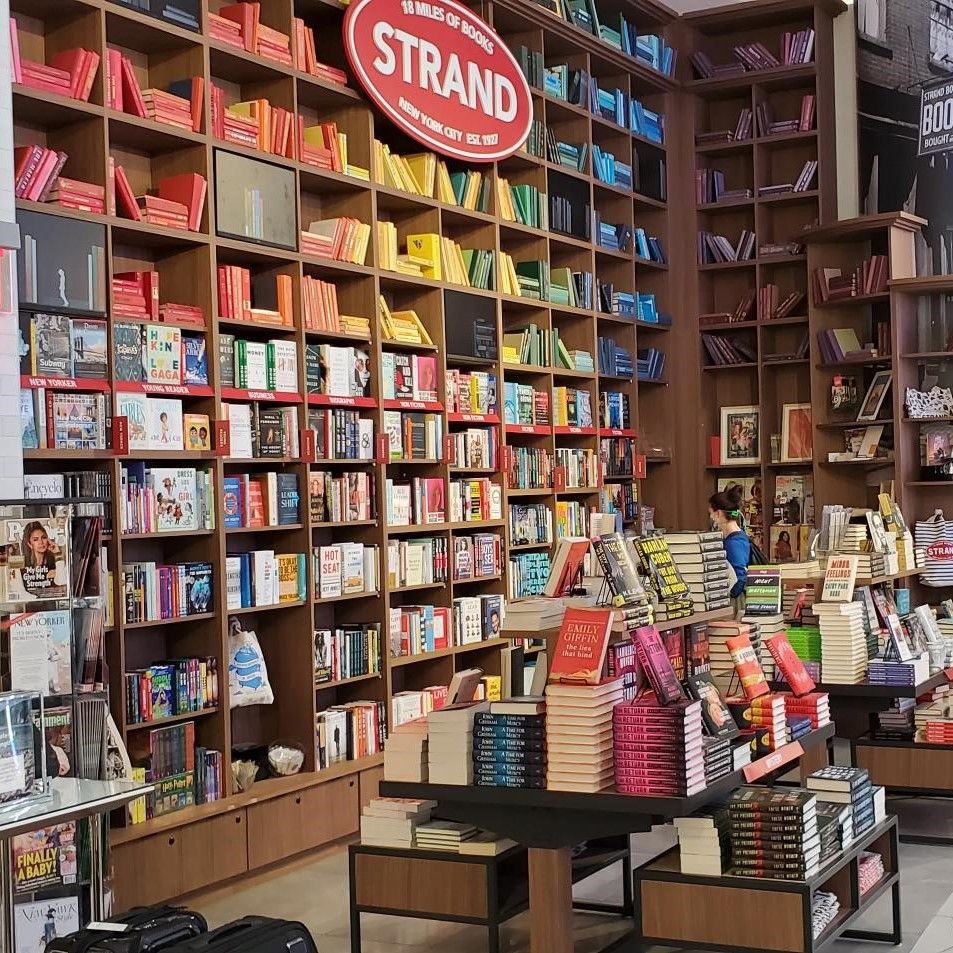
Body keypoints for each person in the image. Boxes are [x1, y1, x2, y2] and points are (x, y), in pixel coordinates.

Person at [709, 490, 750, 598]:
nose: (711, 517)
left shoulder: (733, 543)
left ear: (718, 513)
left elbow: (740, 577)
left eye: (711, 513)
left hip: (736, 600)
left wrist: (729, 596)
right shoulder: (740, 537)